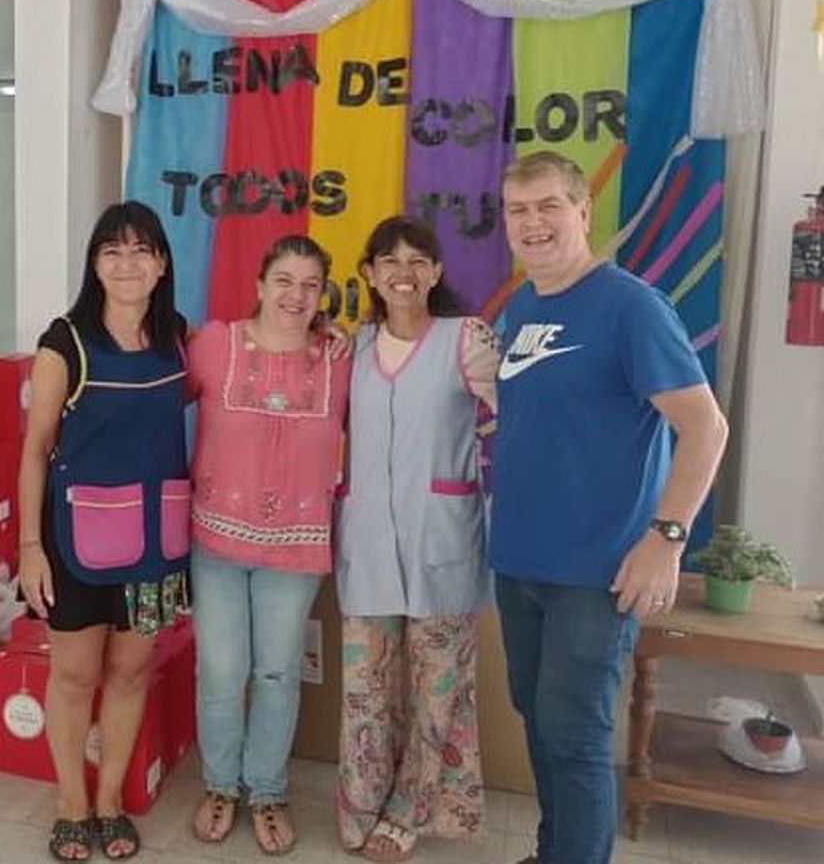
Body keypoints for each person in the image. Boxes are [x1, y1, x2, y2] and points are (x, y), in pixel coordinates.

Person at [491, 152, 728, 864]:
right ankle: (553, 850)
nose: (532, 223)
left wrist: (667, 539)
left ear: (583, 211)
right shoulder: (523, 306)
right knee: (538, 719)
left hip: (597, 570)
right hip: (519, 560)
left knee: (575, 734)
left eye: (548, 206)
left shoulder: (630, 307)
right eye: (518, 210)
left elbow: (705, 427)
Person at [18, 201, 191, 862]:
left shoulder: (179, 336)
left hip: (154, 543)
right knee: (74, 676)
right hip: (74, 543)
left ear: (162, 263)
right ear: (94, 264)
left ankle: (111, 800)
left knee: (130, 672)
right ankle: (72, 804)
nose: (127, 264)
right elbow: (35, 451)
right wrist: (29, 548)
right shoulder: (63, 343)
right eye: (112, 251)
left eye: (141, 250)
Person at [333, 215, 500, 862]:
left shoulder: (467, 339)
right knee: (365, 687)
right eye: (389, 261)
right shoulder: (352, 347)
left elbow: (521, 414)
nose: (403, 272)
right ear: (369, 274)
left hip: (443, 538)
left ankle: (410, 810)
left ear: (436, 272)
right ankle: (360, 805)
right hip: (368, 541)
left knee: (437, 690)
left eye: (417, 260)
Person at [186, 234, 351, 856]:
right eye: (284, 280)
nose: (296, 295)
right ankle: (220, 785)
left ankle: (267, 791)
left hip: (296, 548)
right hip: (216, 542)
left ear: (323, 294)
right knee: (221, 672)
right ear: (259, 285)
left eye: (310, 285)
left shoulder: (339, 359)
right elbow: (154, 400)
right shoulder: (214, 345)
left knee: (278, 673)